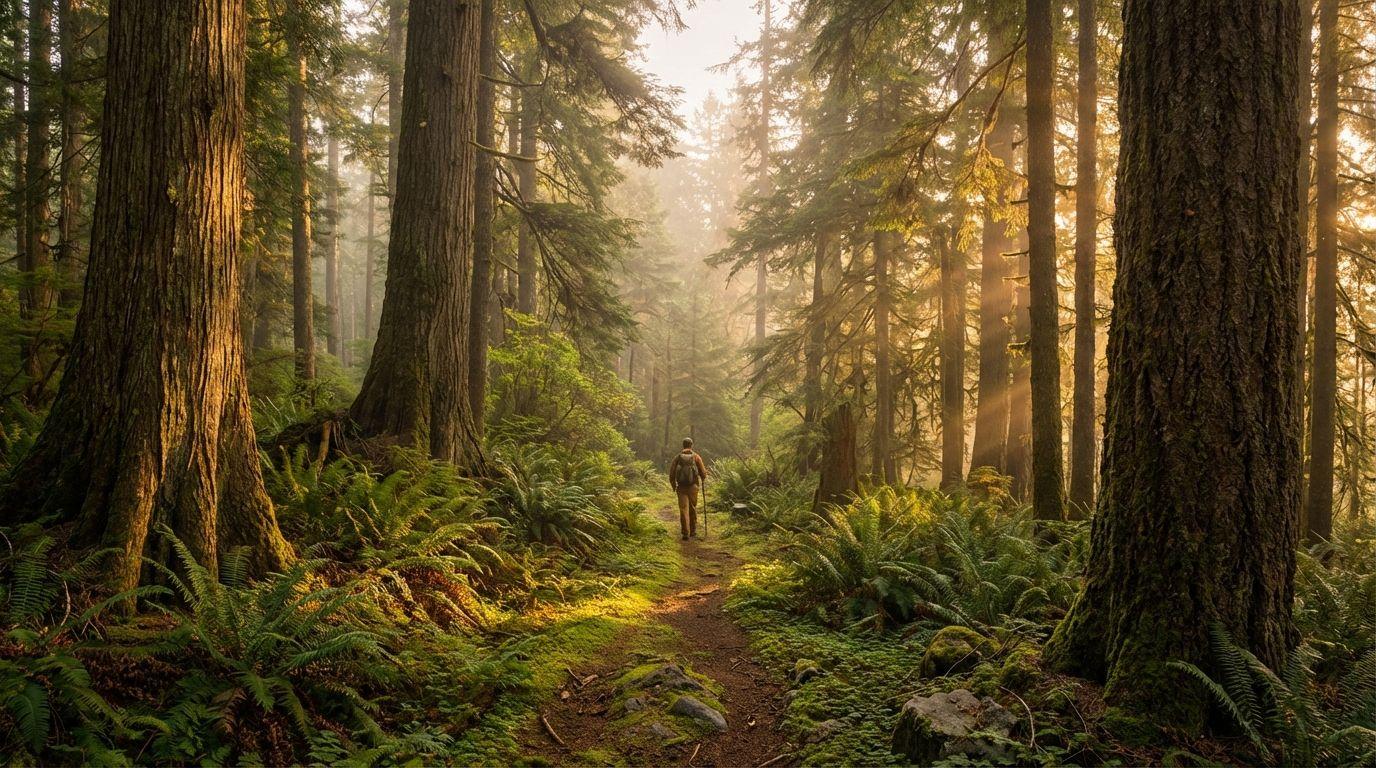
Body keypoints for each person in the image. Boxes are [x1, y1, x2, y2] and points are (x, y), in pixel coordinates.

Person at [669, 437, 708, 540]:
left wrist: (674, 485)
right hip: (693, 487)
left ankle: (685, 533)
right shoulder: (696, 457)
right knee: (692, 508)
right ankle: (693, 531)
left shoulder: (677, 458)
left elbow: (672, 473)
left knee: (683, 509)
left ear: (683, 445)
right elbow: (703, 472)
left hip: (681, 488)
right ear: (691, 445)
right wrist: (703, 478)